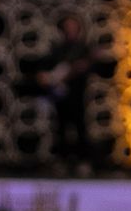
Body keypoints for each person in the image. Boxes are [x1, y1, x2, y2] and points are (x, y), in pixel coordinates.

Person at [21, 12, 97, 167]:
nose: (70, 29)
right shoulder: (59, 48)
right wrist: (45, 76)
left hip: (77, 95)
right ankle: (62, 161)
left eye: (73, 26)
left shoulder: (84, 48)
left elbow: (88, 68)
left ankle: (84, 162)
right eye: (67, 26)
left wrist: (77, 70)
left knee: (80, 128)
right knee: (60, 127)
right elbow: (47, 67)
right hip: (61, 96)